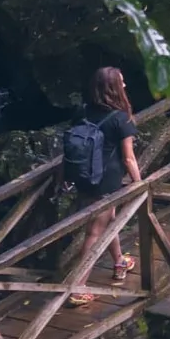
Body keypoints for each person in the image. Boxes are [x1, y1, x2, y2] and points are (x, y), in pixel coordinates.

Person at [68, 67, 142, 306]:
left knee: (109, 220)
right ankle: (78, 287)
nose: (126, 86)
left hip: (83, 175)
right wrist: (140, 185)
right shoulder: (121, 118)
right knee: (94, 231)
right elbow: (129, 158)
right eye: (122, 82)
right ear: (114, 88)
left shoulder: (82, 111)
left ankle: (119, 261)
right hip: (106, 181)